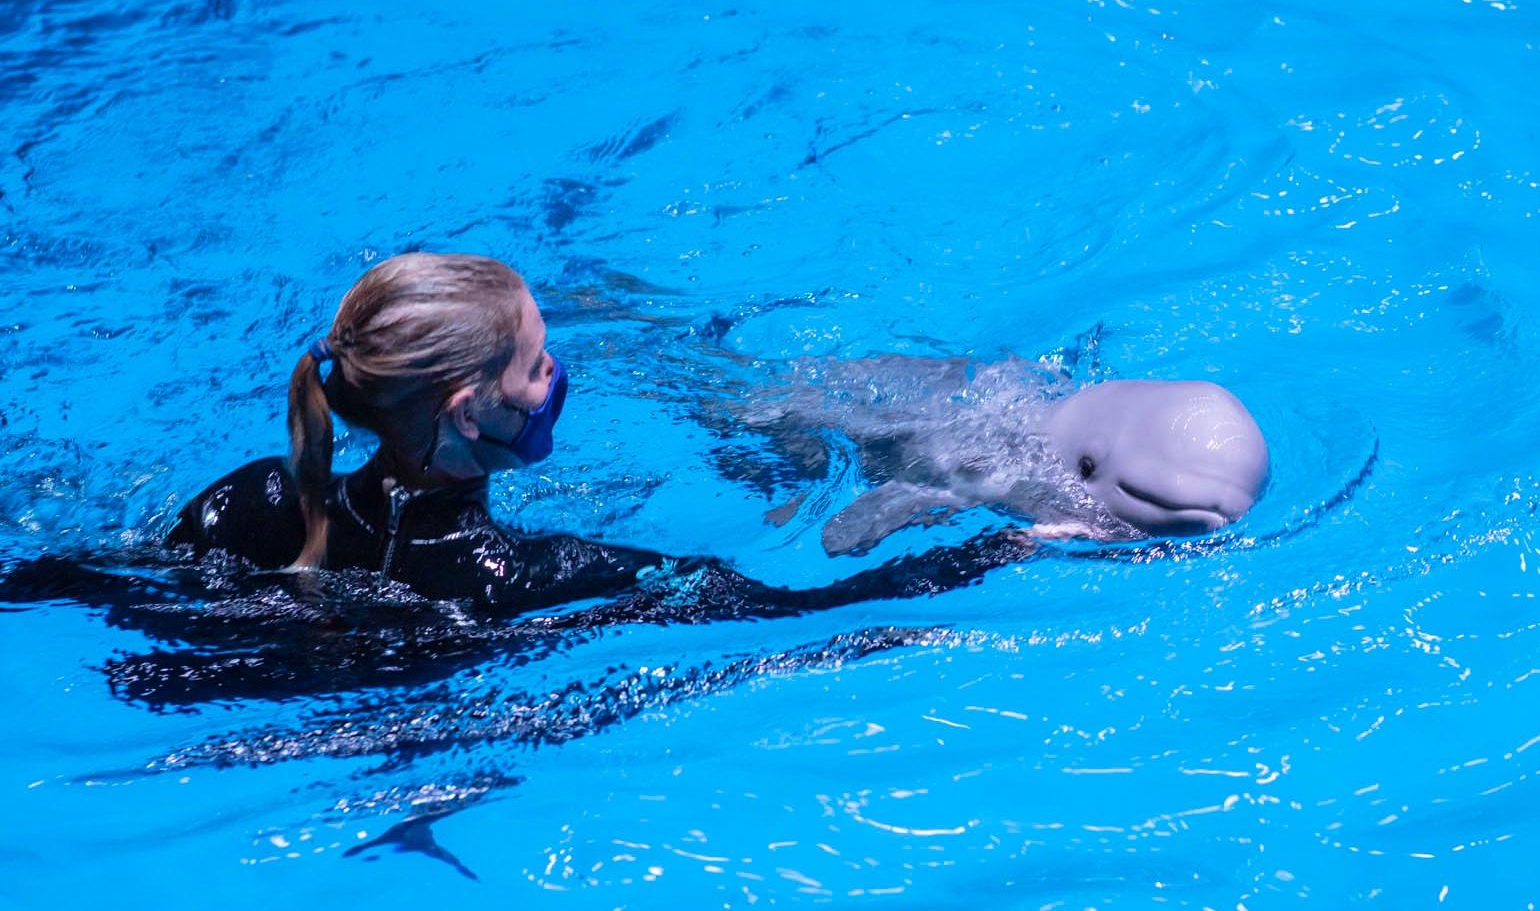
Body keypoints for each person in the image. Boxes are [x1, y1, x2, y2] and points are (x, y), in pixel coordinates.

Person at [164, 252, 1028, 623]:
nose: (555, 377)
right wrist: (998, 550)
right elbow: (789, 610)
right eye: (537, 366)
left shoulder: (251, 498)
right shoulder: (526, 577)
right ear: (469, 414)